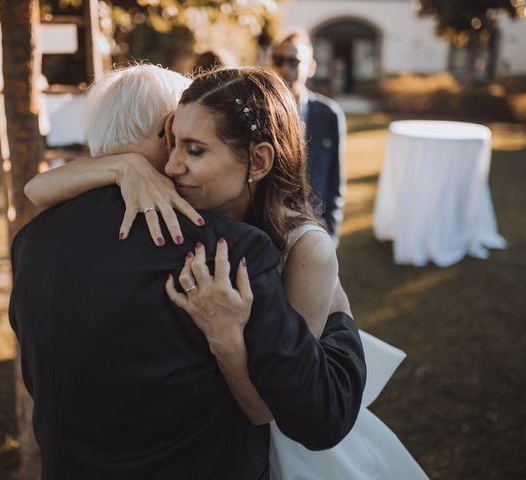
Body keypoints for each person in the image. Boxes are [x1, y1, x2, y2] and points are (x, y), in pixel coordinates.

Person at [25, 65, 427, 479]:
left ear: (257, 161)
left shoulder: (298, 250)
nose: (172, 166)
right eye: (172, 142)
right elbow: (35, 191)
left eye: (193, 150)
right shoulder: (194, 212)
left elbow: (269, 409)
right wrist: (126, 166)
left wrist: (227, 338)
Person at [270, 28, 346, 242]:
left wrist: (331, 233)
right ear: (270, 63)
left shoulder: (329, 114)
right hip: (269, 223)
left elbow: (335, 181)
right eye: (279, 60)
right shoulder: (259, 110)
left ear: (311, 67)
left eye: (294, 62)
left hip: (314, 224)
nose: (285, 68)